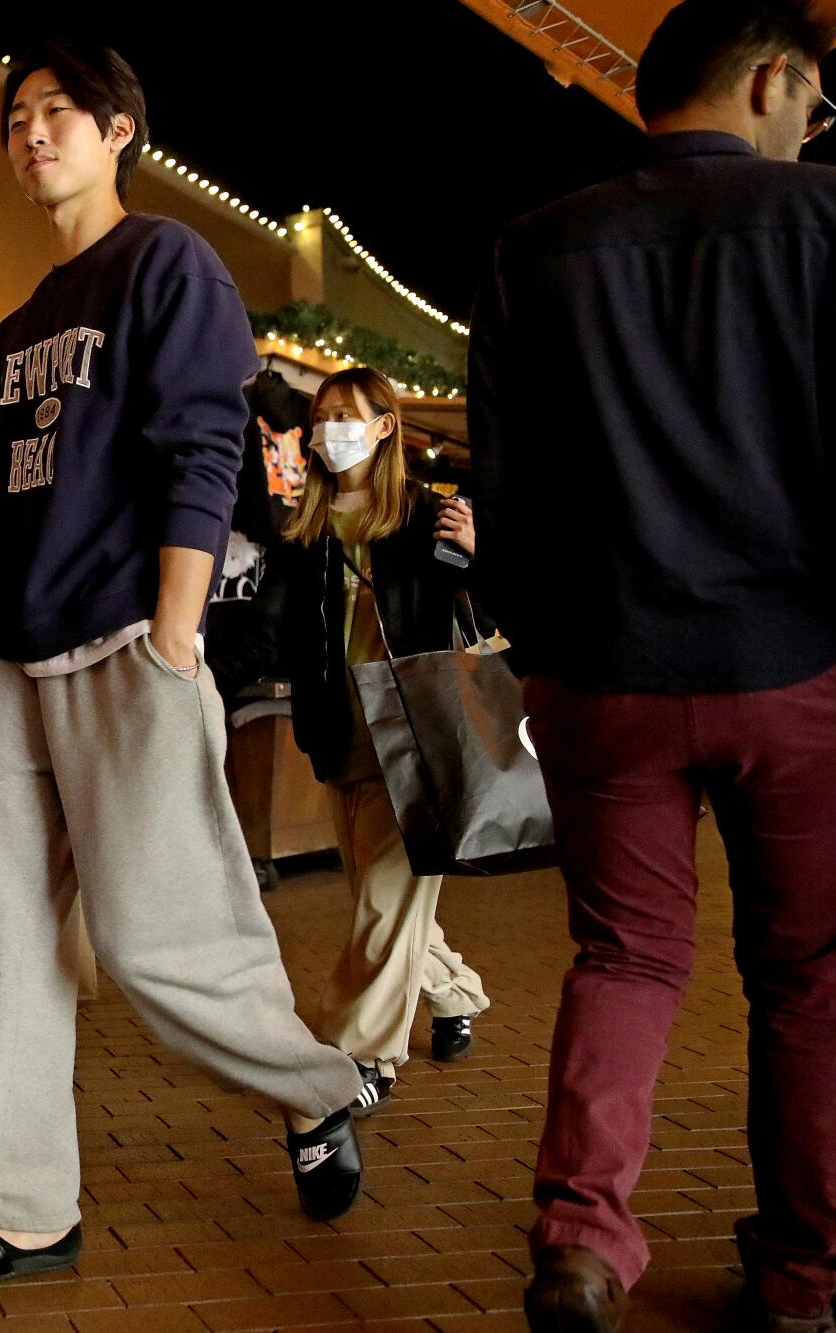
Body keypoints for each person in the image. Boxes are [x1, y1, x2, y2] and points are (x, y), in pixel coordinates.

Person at [466, 3, 836, 1329]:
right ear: (778, 81)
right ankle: (800, 1276)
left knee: (624, 957)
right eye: (817, 106)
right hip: (801, 666)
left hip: (605, 671)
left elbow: (509, 484)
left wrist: (550, 651)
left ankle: (582, 1236)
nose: (813, 132)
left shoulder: (534, 245)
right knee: (807, 981)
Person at [0, 41, 367, 1296]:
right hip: (17, 650)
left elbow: (202, 445)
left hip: (126, 636)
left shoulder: (168, 262)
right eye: (16, 117)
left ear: (117, 134)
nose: (32, 133)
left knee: (157, 935)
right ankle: (23, 1209)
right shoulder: (16, 323)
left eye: (58, 112)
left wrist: (174, 635)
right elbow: (9, 502)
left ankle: (318, 1089)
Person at [252, 367, 490, 1115]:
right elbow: (271, 628)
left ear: (385, 425)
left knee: (385, 908)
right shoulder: (305, 528)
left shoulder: (428, 517)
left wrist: (479, 556)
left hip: (417, 737)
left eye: (345, 415)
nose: (328, 430)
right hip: (340, 730)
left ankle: (363, 1056)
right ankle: (454, 993)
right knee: (379, 900)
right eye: (319, 416)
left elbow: (482, 619)